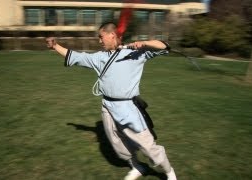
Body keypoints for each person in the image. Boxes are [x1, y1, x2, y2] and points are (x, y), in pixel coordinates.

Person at [46, 22, 177, 180]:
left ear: (112, 35)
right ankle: (137, 166)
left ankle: (169, 172)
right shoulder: (100, 57)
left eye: (101, 37)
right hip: (107, 106)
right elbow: (77, 57)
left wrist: (145, 43)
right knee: (118, 143)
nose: (99, 41)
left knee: (148, 146)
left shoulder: (137, 53)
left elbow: (164, 46)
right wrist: (55, 46)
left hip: (128, 108)